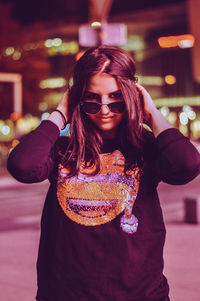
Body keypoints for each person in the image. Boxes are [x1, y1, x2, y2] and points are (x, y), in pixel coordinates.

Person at [7, 46, 200, 301]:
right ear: (78, 98)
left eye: (116, 97)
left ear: (131, 95)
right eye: (92, 99)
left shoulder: (145, 146)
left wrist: (151, 113)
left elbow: (187, 165)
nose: (105, 109)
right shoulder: (62, 147)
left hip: (140, 295)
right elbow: (23, 166)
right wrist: (60, 113)